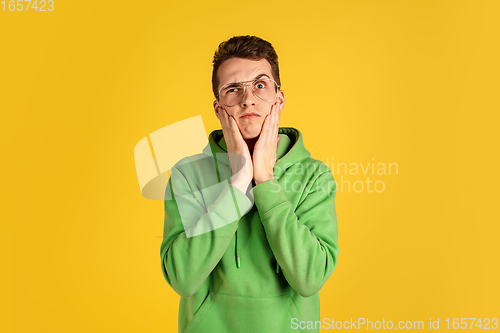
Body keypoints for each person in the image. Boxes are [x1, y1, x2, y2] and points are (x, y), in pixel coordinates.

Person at [160, 35, 339, 333]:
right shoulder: (187, 175)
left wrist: (265, 180)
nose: (248, 99)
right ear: (219, 108)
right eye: (233, 89)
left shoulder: (314, 176)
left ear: (278, 99)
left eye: (260, 85)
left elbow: (309, 279)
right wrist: (239, 180)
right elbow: (183, 278)